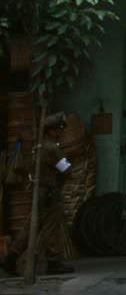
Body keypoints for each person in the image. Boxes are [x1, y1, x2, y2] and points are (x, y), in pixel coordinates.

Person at [4, 113, 74, 276]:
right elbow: (67, 170)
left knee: (30, 226)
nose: (60, 132)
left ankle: (11, 258)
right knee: (50, 227)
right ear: (51, 131)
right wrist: (59, 183)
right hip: (49, 192)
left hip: (39, 191)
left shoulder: (38, 147)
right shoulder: (52, 148)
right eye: (58, 129)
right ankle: (52, 261)